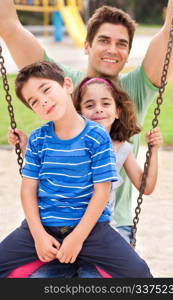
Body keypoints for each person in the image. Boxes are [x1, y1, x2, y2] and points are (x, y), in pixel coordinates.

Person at [1, 0, 173, 277]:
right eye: (104, 40)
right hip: (54, 223)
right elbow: (10, 28)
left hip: (110, 226)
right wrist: (28, 146)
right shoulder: (58, 82)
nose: (112, 49)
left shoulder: (137, 86)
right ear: (86, 45)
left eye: (122, 44)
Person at [0, 61, 153, 278]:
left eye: (46, 89)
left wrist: (76, 238)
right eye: (34, 101)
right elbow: (27, 190)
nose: (43, 100)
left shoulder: (97, 136)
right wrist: (38, 235)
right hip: (44, 225)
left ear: (67, 85)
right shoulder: (38, 139)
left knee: (139, 273)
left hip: (91, 229)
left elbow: (102, 191)